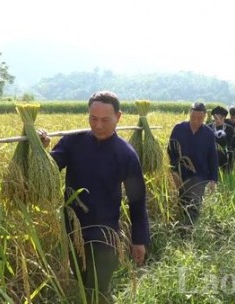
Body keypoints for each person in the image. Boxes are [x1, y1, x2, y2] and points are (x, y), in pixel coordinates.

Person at [41, 91, 149, 303]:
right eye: (93, 118)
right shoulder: (73, 142)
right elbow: (49, 169)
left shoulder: (126, 155)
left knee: (98, 291)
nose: (98, 125)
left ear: (119, 117)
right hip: (73, 229)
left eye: (105, 120)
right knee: (81, 285)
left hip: (105, 235)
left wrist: (139, 240)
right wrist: (39, 150)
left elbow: (137, 201)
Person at [168, 102, 218, 226]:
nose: (196, 121)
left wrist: (213, 179)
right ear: (189, 114)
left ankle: (189, 232)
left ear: (205, 117)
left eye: (200, 118)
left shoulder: (208, 133)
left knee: (194, 205)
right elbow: (170, 151)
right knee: (181, 202)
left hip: (199, 175)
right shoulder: (179, 129)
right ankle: (179, 229)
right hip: (180, 174)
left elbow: (213, 157)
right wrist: (173, 171)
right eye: (193, 117)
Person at [208, 106, 235, 172]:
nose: (218, 120)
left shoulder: (229, 129)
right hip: (211, 155)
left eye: (221, 117)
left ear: (224, 117)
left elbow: (230, 144)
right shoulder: (208, 128)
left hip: (225, 156)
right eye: (216, 117)